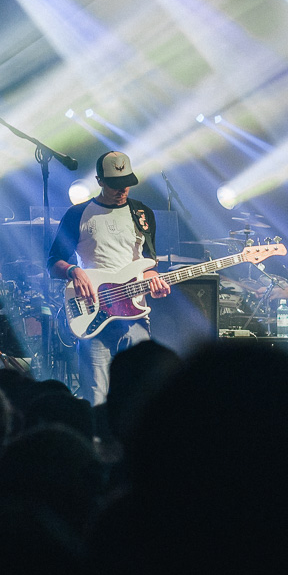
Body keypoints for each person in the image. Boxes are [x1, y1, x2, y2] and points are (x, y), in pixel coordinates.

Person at [48, 151, 171, 405]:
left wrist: (154, 281)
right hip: (94, 312)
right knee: (96, 394)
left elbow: (149, 263)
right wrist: (73, 271)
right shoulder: (78, 214)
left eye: (126, 183)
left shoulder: (142, 214)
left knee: (142, 392)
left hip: (135, 315)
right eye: (115, 184)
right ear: (99, 181)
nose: (122, 190)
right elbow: (53, 262)